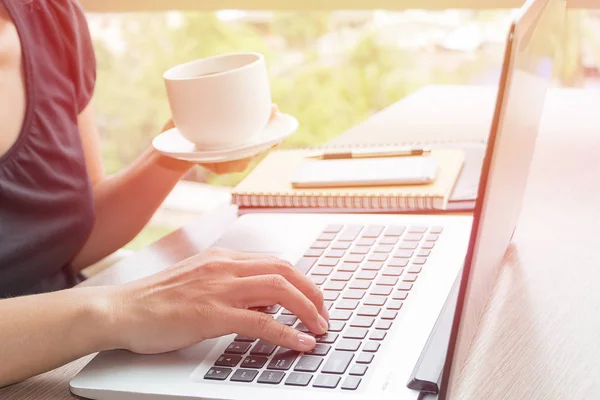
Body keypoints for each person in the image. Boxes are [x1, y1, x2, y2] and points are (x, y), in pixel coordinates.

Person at [0, 0, 328, 388]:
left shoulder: (50, 16)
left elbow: (66, 237)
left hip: (73, 354)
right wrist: (120, 309)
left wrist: (184, 149)